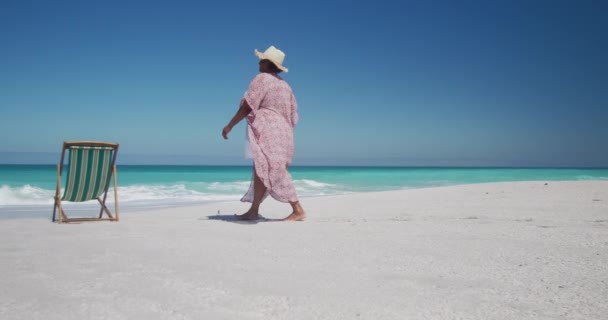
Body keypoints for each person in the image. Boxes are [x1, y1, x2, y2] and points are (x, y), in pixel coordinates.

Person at [222, 45, 305, 221]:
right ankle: (254, 211)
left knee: (275, 169)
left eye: (262, 60)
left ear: (268, 64)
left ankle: (298, 209)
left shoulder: (262, 79)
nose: (259, 62)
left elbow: (248, 105)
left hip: (268, 130)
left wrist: (230, 125)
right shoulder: (285, 86)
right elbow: (294, 115)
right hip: (285, 132)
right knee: (262, 169)